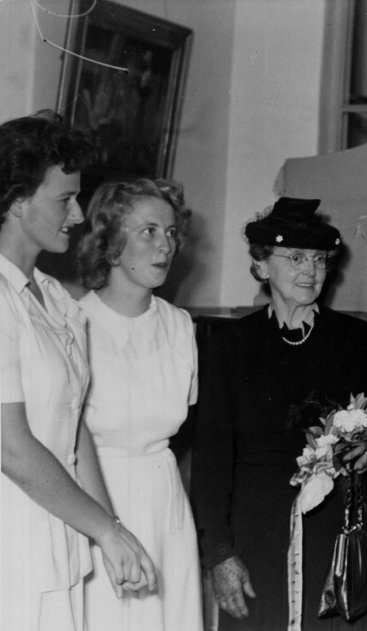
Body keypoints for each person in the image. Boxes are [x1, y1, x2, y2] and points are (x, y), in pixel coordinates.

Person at [191, 196, 367, 631]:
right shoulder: (230, 346)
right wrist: (219, 553)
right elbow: (210, 463)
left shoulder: (362, 342)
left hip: (338, 529)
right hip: (257, 531)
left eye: (320, 259)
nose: (310, 270)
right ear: (262, 267)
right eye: (296, 257)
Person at [0, 114, 157, 630]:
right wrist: (105, 531)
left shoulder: (55, 300)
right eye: (62, 199)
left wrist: (111, 529)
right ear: (17, 201)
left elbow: (74, 429)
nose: (78, 213)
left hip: (58, 533)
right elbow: (9, 444)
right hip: (11, 535)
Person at [76, 178, 202, 631]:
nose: (165, 245)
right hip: (94, 504)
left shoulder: (180, 325)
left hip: (165, 507)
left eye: (170, 233)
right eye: (148, 231)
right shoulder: (73, 323)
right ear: (110, 243)